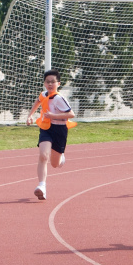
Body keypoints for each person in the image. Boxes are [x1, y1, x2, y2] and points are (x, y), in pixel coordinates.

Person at [26, 69, 76, 201]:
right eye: (47, 82)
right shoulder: (43, 94)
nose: (50, 84)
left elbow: (71, 114)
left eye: (52, 82)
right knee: (43, 155)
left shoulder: (59, 99)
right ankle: (42, 186)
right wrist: (30, 116)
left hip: (60, 130)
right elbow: (38, 101)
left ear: (58, 83)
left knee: (55, 164)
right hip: (46, 128)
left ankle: (61, 158)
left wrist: (53, 115)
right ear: (44, 83)